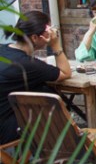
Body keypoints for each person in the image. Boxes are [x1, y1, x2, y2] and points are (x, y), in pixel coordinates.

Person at [0, 11, 72, 144]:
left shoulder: (3, 49)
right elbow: (65, 73)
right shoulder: (27, 64)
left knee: (40, 89)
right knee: (49, 102)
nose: (51, 34)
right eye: (48, 30)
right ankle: (67, 146)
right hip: (4, 131)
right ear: (34, 38)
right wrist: (55, 44)